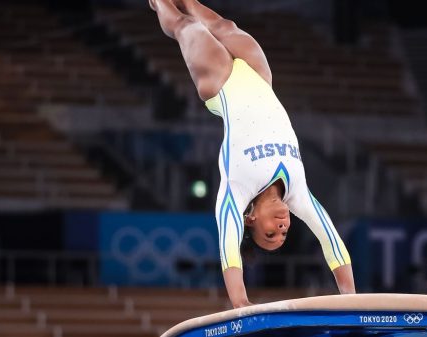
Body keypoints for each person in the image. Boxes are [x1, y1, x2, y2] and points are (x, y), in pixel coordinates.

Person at [149, 0, 356, 308]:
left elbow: (228, 250)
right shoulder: (298, 194)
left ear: (251, 218)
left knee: (187, 26)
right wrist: (352, 299)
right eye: (284, 235)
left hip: (219, 84)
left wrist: (241, 302)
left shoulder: (236, 191)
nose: (283, 229)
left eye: (270, 235)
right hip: (261, 80)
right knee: (224, 26)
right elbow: (330, 239)